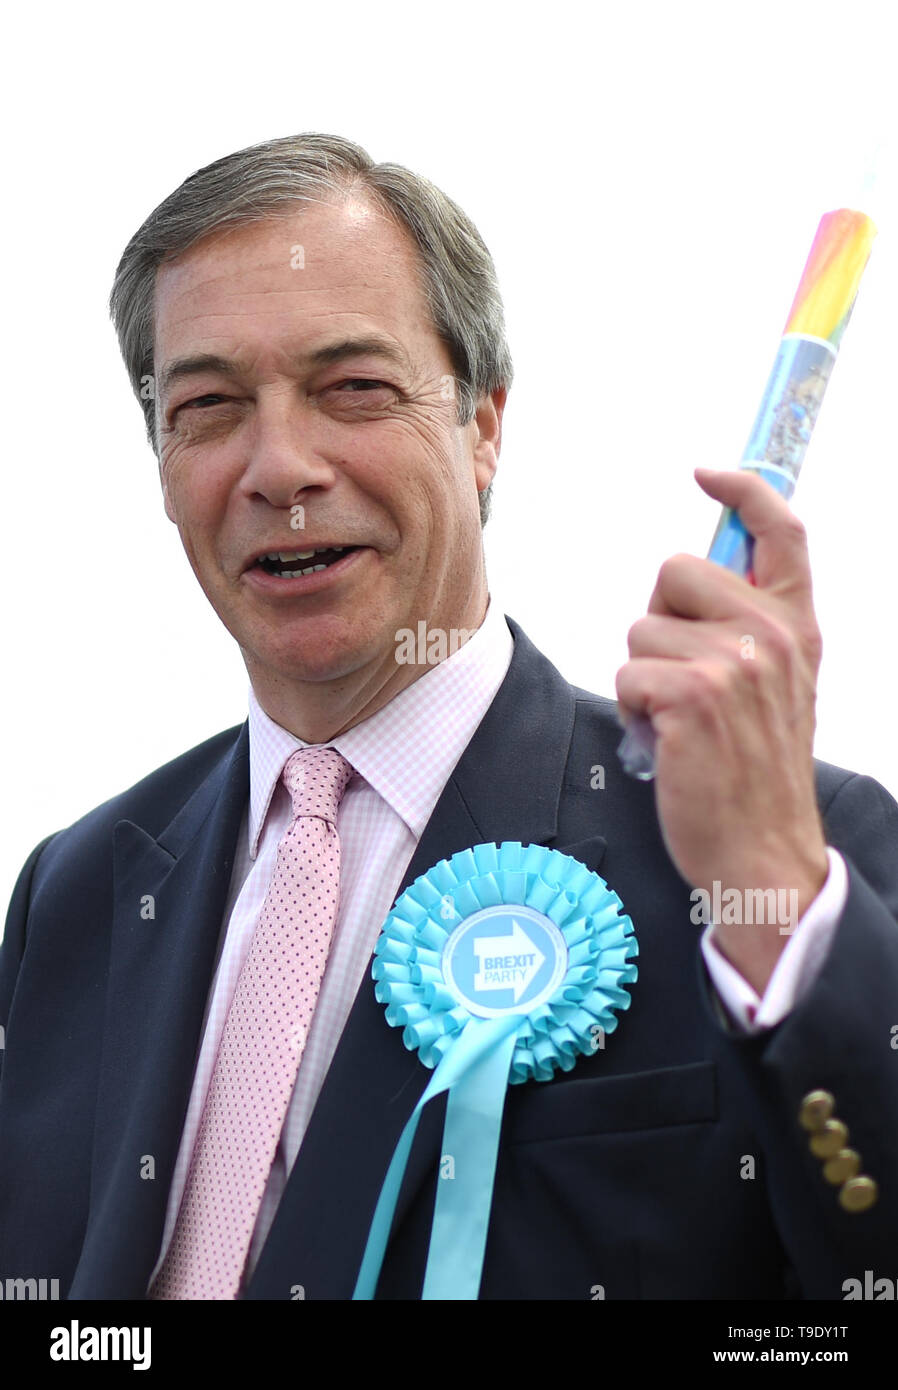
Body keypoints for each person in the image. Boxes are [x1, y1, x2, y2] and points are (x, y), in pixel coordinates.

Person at [1, 132, 896, 1302]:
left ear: (483, 426)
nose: (279, 465)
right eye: (210, 406)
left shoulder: (783, 853)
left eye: (353, 389)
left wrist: (773, 895)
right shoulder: (76, 890)